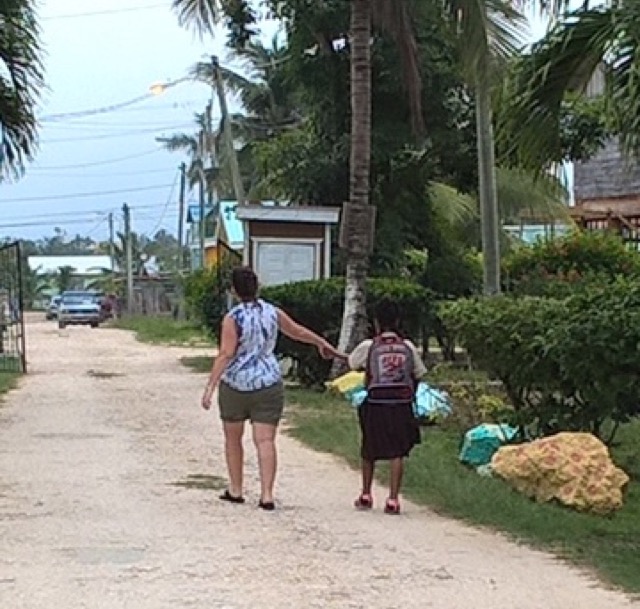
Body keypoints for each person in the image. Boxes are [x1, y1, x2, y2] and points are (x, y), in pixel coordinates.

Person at [201, 266, 344, 511]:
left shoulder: (232, 318)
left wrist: (210, 386)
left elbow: (226, 353)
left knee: (233, 439)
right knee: (265, 441)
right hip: (268, 383)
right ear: (258, 286)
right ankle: (266, 494)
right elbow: (297, 331)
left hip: (236, 384)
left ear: (234, 290)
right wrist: (322, 343)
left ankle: (236, 489)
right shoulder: (272, 313)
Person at [347, 298, 427, 515]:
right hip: (401, 404)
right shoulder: (408, 346)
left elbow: (352, 363)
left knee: (369, 449)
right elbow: (419, 374)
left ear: (376, 322)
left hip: (376, 404)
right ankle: (393, 498)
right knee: (397, 451)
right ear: (398, 320)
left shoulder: (369, 346)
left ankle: (366, 494)